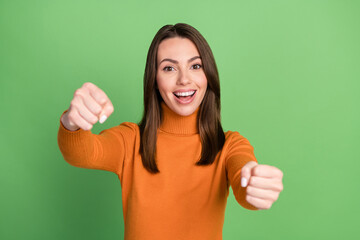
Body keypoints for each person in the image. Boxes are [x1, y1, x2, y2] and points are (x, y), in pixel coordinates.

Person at [58, 23, 284, 240]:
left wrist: (254, 183)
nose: (184, 79)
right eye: (169, 68)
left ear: (209, 75)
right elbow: (81, 153)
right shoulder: (130, 140)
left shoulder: (229, 145)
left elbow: (244, 181)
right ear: (154, 81)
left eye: (195, 66)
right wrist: (73, 121)